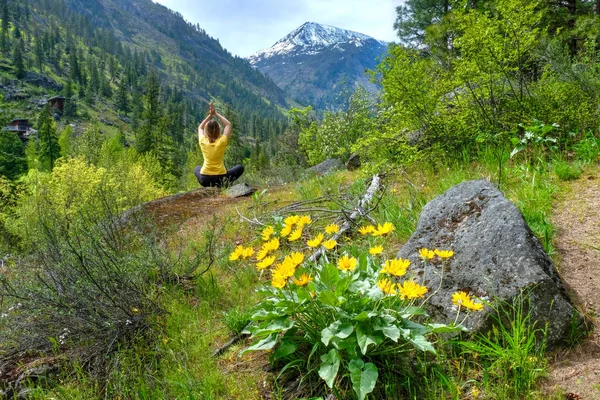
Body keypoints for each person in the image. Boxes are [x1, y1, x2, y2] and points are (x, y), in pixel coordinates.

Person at [194, 102, 244, 187]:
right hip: (221, 179)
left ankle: (209, 186)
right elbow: (228, 124)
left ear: (206, 131)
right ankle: (223, 185)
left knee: (196, 168)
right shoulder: (222, 141)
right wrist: (216, 114)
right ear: (218, 131)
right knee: (240, 167)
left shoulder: (203, 141)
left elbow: (200, 128)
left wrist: (210, 115)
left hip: (205, 180)